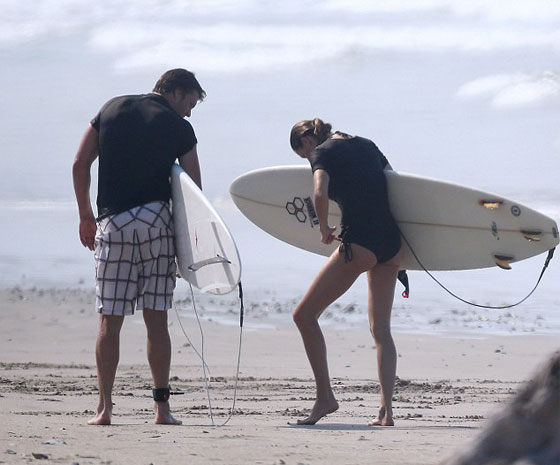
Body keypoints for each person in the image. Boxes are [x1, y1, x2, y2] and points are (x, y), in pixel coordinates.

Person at [72, 68, 205, 425]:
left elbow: (80, 163)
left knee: (109, 318)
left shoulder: (110, 109)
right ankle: (162, 409)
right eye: (190, 104)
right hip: (155, 222)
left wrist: (85, 216)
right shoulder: (179, 127)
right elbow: (194, 190)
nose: (189, 113)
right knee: (156, 318)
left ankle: (104, 408)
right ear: (176, 92)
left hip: (113, 224)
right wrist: (188, 249)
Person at [289, 118, 404, 426]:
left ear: (307, 142)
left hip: (361, 244)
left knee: (303, 316)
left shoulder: (322, 152)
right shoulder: (368, 145)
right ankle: (386, 411)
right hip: (392, 245)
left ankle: (325, 398)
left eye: (303, 155)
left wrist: (324, 229)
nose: (308, 160)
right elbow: (397, 187)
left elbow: (319, 192)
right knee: (381, 330)